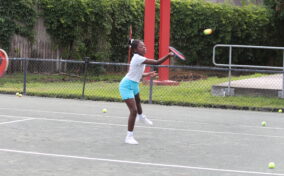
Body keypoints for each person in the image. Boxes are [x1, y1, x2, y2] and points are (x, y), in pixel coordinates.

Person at [119, 39, 174, 145]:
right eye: (141, 47)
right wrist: (168, 55)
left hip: (134, 83)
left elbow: (137, 73)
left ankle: (141, 117)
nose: (144, 48)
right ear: (135, 49)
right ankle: (129, 137)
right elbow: (157, 62)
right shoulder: (138, 58)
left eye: (144, 46)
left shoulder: (140, 58)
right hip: (126, 86)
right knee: (133, 110)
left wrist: (148, 74)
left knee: (138, 101)